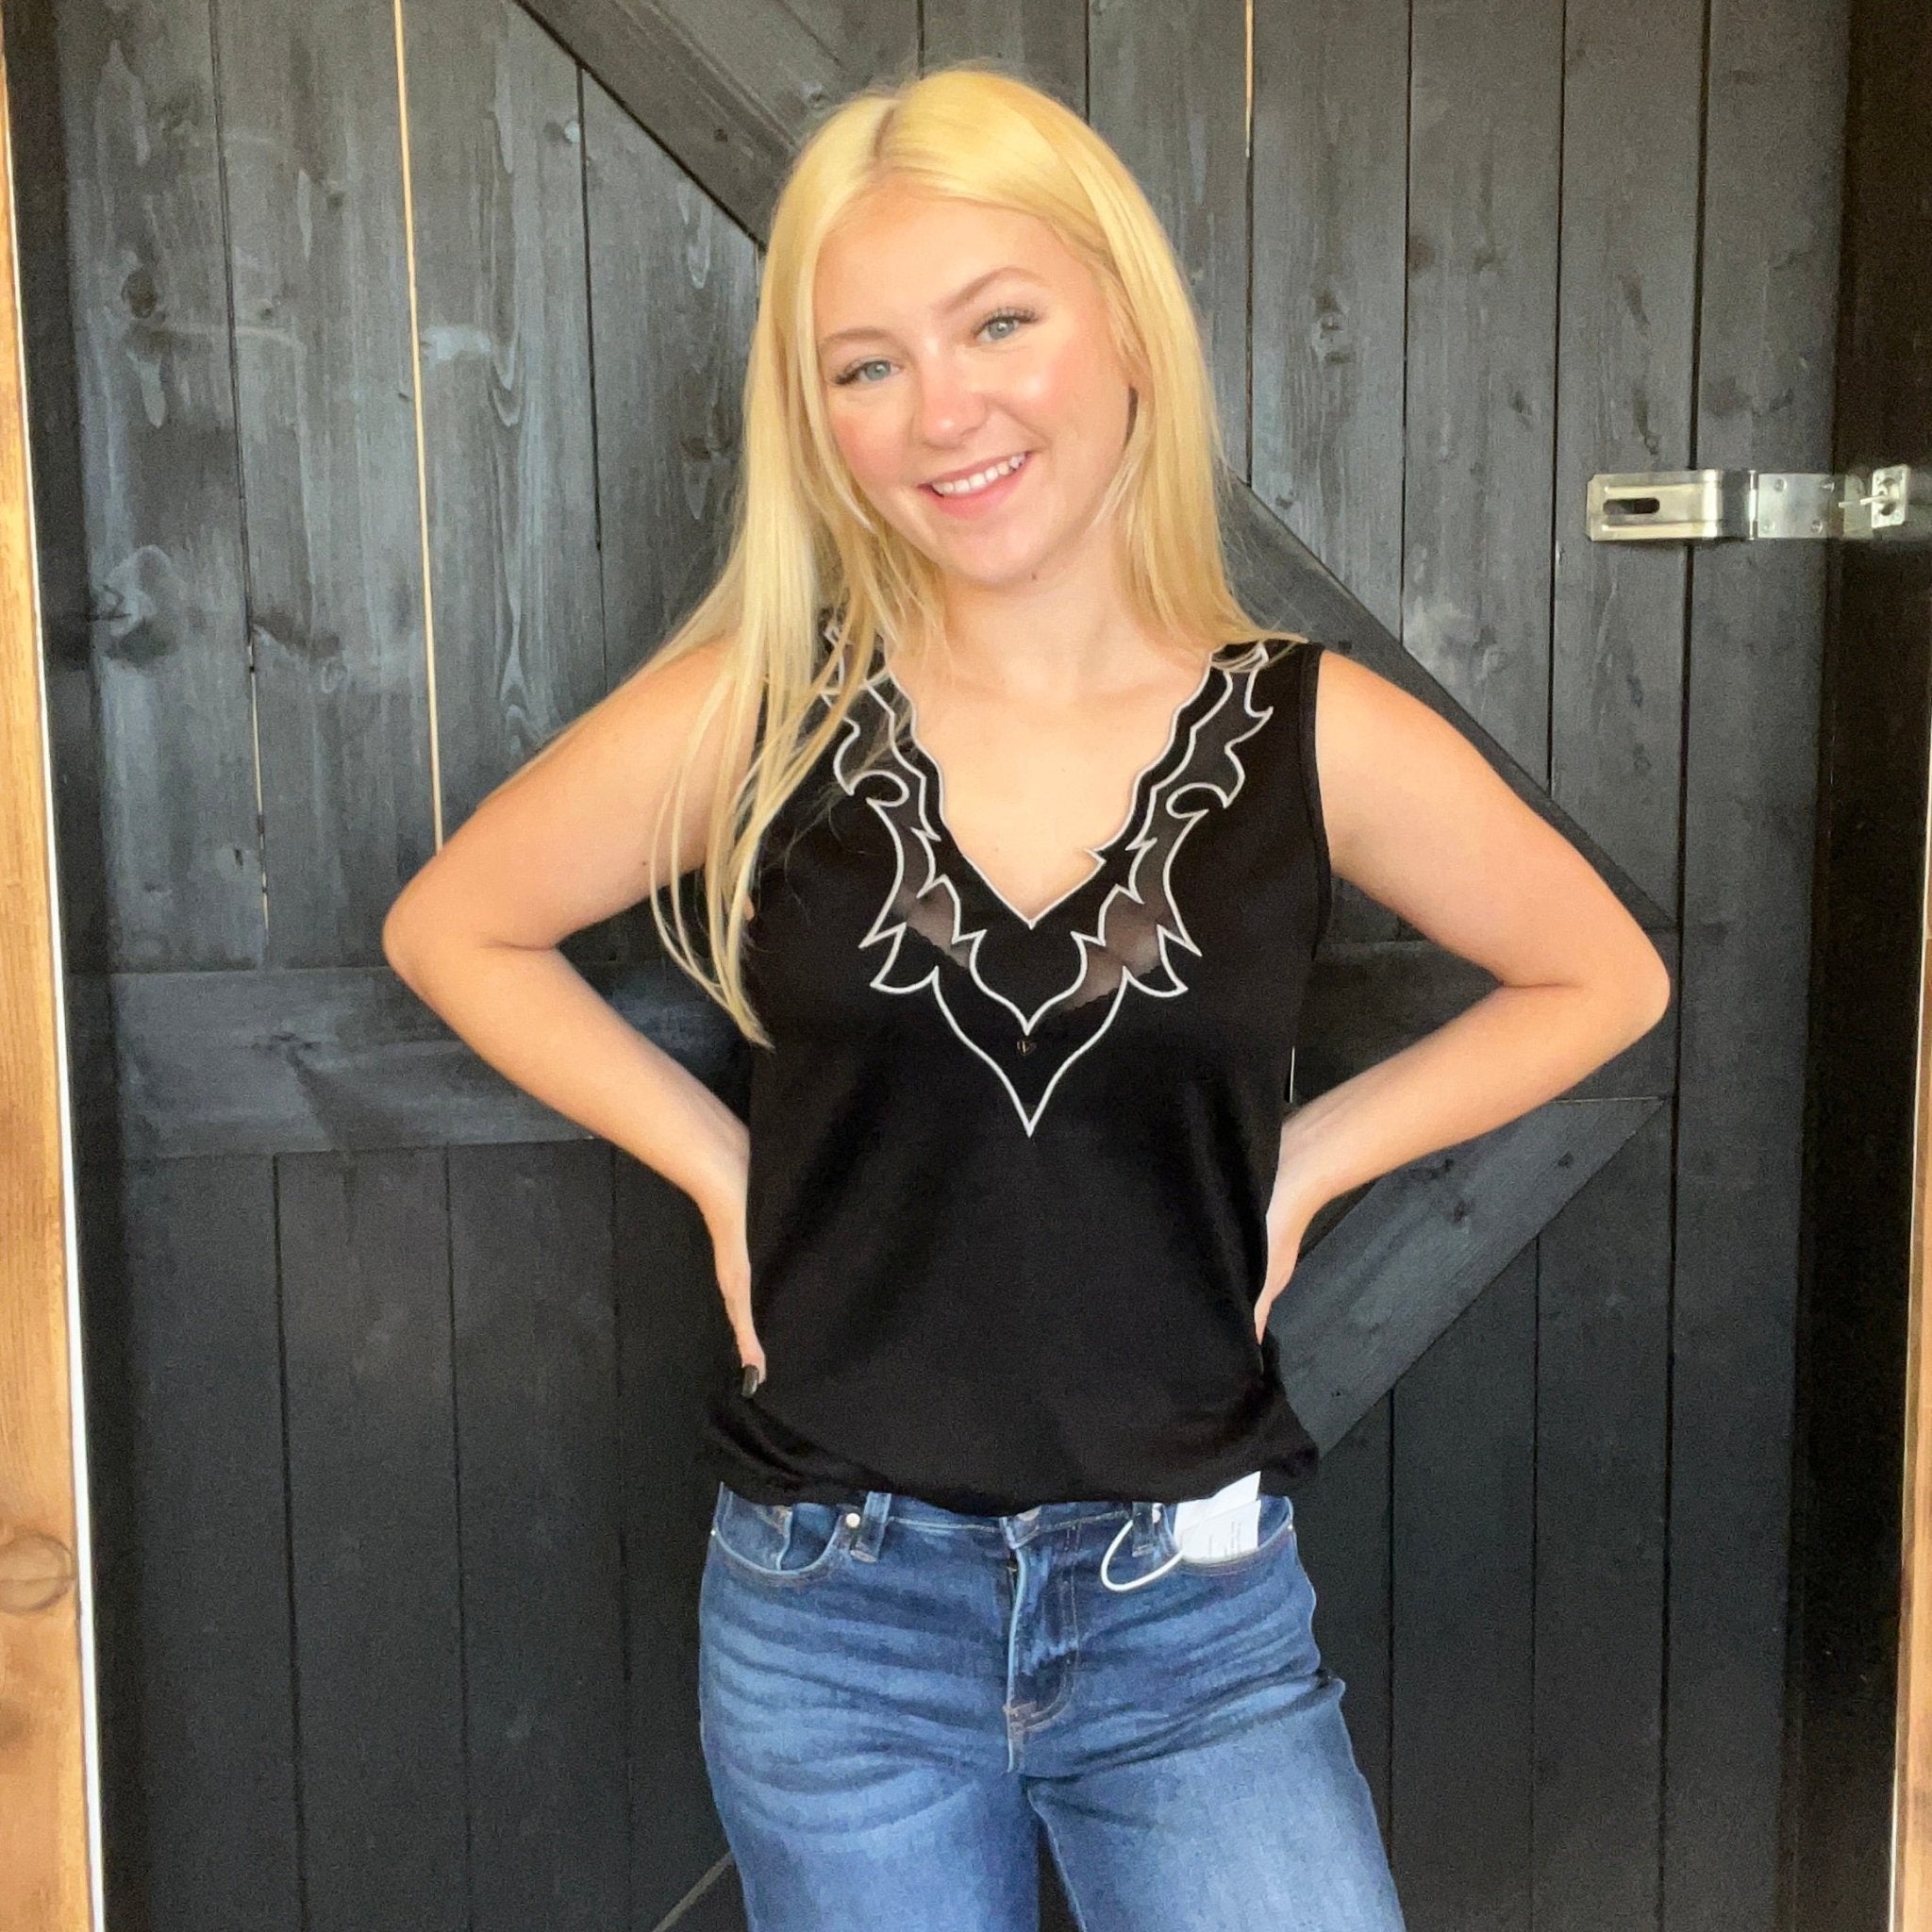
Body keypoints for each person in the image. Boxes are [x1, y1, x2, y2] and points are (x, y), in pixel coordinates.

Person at [382, 62, 1671, 1932]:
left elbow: (1602, 975)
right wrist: (723, 1174)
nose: (942, 410)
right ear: (817, 419)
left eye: (999, 323)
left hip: (1189, 1620)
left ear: (1126, 332)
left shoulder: (1309, 731)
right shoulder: (765, 715)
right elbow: (457, 927)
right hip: (834, 1617)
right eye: (866, 364)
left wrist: (1309, 1163)